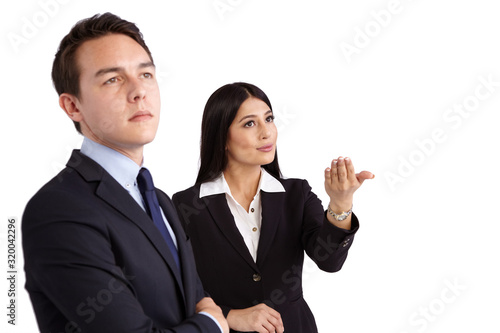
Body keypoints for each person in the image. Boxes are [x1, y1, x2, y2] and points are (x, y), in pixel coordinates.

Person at [22, 13, 228, 333]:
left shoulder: (157, 200)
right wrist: (211, 327)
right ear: (72, 106)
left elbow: (193, 302)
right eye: (113, 79)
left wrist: (223, 317)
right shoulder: (59, 210)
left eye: (145, 74)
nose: (138, 91)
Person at [172, 82, 374, 333]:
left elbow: (329, 260)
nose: (266, 132)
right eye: (249, 123)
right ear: (221, 137)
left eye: (268, 119)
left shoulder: (296, 194)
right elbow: (172, 287)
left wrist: (341, 203)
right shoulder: (185, 206)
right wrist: (230, 316)